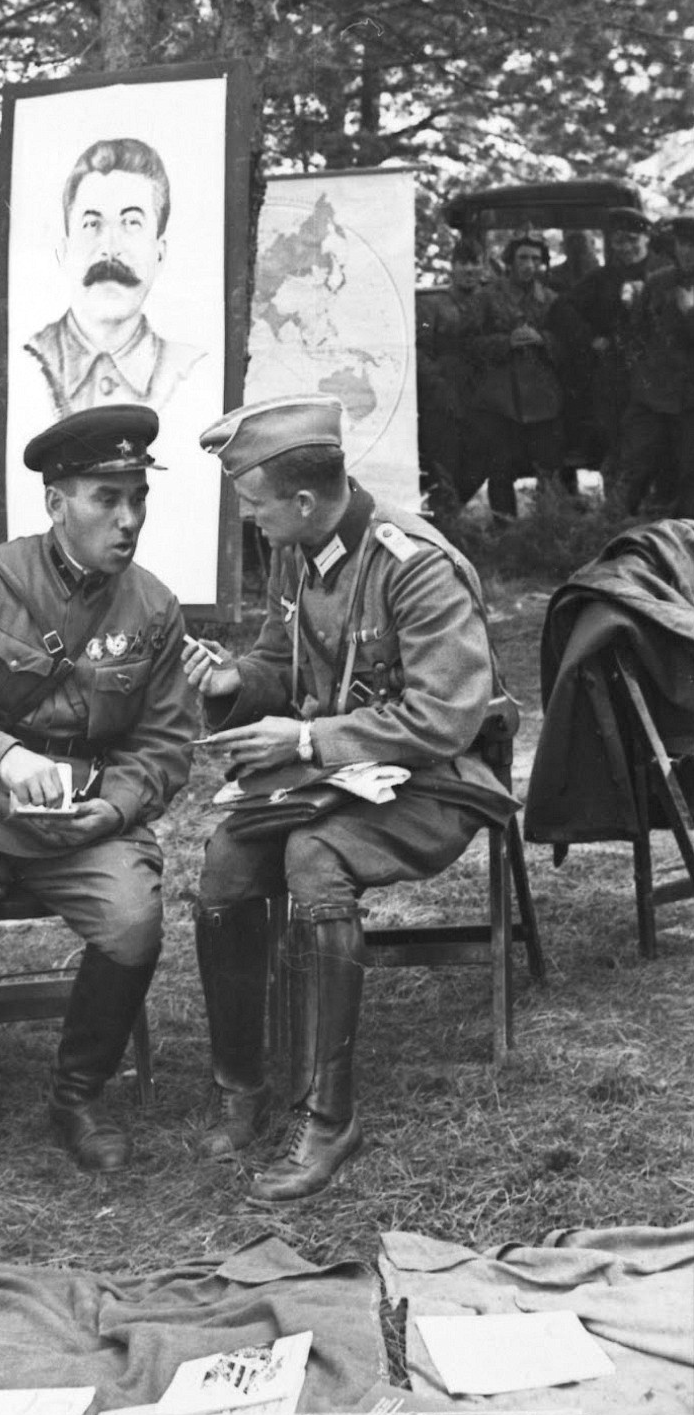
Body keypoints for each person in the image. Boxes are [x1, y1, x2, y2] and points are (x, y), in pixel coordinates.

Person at [182, 396, 515, 1202]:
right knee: (226, 861)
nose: (249, 520)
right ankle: (244, 1086)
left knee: (312, 855)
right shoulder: (298, 549)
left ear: (302, 499)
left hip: (439, 783)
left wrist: (302, 742)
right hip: (339, 780)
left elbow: (442, 716)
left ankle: (327, 1117)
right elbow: (278, 659)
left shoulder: (416, 565)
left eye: (254, 504)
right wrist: (236, 680)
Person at [0, 405, 194, 1181]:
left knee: (131, 922)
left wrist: (117, 806)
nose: (128, 520)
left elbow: (162, 744)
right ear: (56, 504)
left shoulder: (152, 609)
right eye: (104, 498)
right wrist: (0, 754)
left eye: (137, 498)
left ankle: (80, 1095)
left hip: (86, 821)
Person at [23, 138, 206, 416]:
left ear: (160, 254)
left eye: (131, 222)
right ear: (64, 252)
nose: (109, 248)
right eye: (91, 223)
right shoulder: (26, 364)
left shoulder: (192, 372)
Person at [549, 206, 666, 482]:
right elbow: (561, 309)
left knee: (660, 445)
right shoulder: (602, 278)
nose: (625, 248)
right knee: (616, 443)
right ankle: (617, 515)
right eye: (619, 241)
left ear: (646, 239)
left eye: (632, 241)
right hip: (616, 376)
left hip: (660, 376)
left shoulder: (664, 273)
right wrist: (590, 339)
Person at [458, 232, 563, 520]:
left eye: (535, 259)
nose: (529, 264)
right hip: (500, 400)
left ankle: (548, 528)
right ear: (510, 261)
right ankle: (504, 529)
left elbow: (567, 342)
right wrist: (506, 342)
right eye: (522, 258)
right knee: (500, 469)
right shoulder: (487, 298)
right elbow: (466, 344)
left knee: (548, 468)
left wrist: (543, 339)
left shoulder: (551, 300)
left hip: (543, 399)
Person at [619, 217, 694, 515]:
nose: (688, 251)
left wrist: (689, 313)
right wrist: (640, 377)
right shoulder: (658, 282)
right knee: (638, 466)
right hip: (653, 396)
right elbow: (634, 334)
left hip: (691, 402)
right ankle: (620, 531)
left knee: (689, 474)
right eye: (684, 244)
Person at [415, 237, 485, 518]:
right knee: (443, 463)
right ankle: (443, 522)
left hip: (481, 399)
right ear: (452, 267)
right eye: (463, 263)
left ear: (483, 267)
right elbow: (419, 353)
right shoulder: (432, 305)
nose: (469, 269)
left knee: (479, 460)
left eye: (475, 263)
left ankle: (452, 513)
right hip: (442, 400)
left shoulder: (490, 301)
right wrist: (438, 388)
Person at [547, 229, 600, 296]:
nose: (575, 245)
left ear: (592, 243)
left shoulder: (602, 274)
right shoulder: (554, 275)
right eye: (571, 241)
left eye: (580, 240)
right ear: (564, 246)